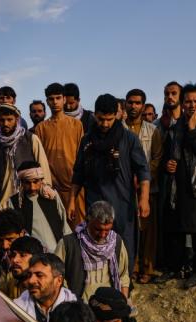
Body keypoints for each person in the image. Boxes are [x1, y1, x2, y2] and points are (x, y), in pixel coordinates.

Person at [72, 93, 151, 269]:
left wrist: (144, 199)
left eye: (109, 119)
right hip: (95, 203)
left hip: (123, 205)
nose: (105, 124)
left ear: (116, 114)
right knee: (96, 244)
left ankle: (125, 286)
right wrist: (72, 200)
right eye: (101, 119)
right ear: (95, 115)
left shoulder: (129, 139)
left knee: (125, 246)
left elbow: (143, 170)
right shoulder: (87, 141)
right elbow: (78, 173)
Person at [156, 83, 196, 288]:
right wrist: (169, 164)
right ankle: (176, 268)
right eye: (188, 101)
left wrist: (191, 128)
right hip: (178, 186)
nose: (192, 105)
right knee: (176, 229)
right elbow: (167, 152)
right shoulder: (175, 127)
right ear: (182, 104)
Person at [54, 200, 129, 300]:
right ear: (88, 221)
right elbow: (56, 276)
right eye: (98, 229)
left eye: (107, 230)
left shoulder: (116, 242)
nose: (102, 235)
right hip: (78, 305)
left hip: (108, 305)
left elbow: (123, 276)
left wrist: (122, 303)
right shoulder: (68, 244)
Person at [124, 88, 162, 283]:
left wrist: (144, 178)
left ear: (143, 105)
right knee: (128, 230)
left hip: (148, 189)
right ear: (125, 104)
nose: (133, 106)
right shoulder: (119, 128)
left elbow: (156, 159)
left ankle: (147, 268)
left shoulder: (152, 130)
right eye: (130, 102)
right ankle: (131, 268)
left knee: (148, 231)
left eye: (138, 103)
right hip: (124, 189)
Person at [0, 103, 53, 210]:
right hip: (5, 202)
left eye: (9, 119)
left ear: (17, 120)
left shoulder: (31, 139)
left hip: (29, 198)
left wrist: (46, 188)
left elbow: (43, 169)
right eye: (2, 120)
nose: (5, 123)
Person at [36, 82, 86, 222]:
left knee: (78, 230)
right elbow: (39, 159)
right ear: (47, 101)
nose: (55, 102)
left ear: (64, 99)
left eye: (58, 98)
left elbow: (82, 157)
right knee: (55, 230)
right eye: (51, 99)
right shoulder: (41, 128)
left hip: (74, 187)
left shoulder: (76, 124)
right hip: (51, 187)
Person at [12, 160, 69, 251]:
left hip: (58, 251)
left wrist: (68, 247)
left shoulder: (51, 196)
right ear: (21, 182)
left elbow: (65, 225)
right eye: (27, 182)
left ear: (41, 180)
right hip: (33, 254)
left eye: (35, 182)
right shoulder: (14, 202)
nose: (32, 187)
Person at [14, 253, 78, 322]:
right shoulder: (17, 307)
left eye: (39, 275)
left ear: (58, 281)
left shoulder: (77, 311)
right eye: (29, 275)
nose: (31, 281)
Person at [0, 209, 28, 296]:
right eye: (0, 240)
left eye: (10, 239)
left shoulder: (36, 256)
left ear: (22, 233)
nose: (5, 245)